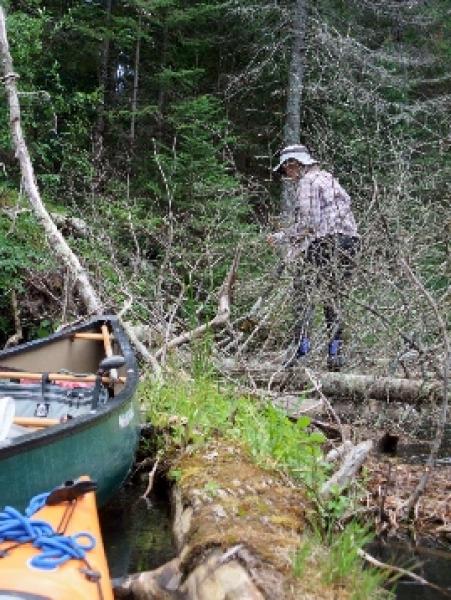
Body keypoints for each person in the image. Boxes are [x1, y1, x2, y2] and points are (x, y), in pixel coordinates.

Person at [267, 144, 360, 370]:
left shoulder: (307, 182)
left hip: (327, 243)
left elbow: (309, 224)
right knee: (333, 299)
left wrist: (283, 237)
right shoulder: (328, 178)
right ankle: (335, 354)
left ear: (294, 164)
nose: (287, 175)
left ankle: (300, 352)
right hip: (350, 242)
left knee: (302, 295)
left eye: (287, 169)